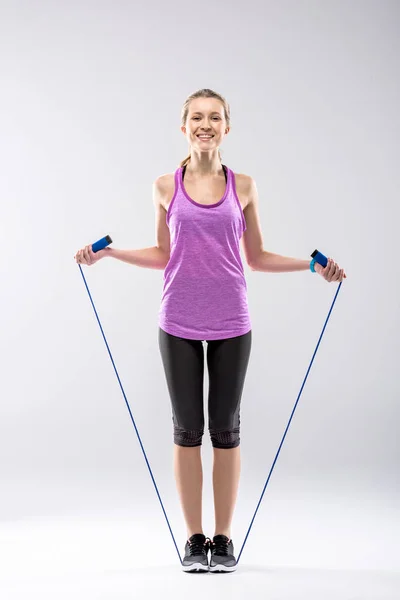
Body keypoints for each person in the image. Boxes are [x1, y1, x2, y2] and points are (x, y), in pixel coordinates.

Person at [74, 88, 346, 573]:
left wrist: (312, 265)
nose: (205, 124)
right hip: (177, 319)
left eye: (214, 117)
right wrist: (110, 254)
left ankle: (223, 539)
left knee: (225, 431)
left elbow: (257, 259)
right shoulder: (164, 186)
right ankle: (193, 539)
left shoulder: (244, 187)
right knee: (186, 431)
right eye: (196, 117)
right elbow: (163, 255)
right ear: (184, 127)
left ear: (227, 127)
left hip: (231, 322)